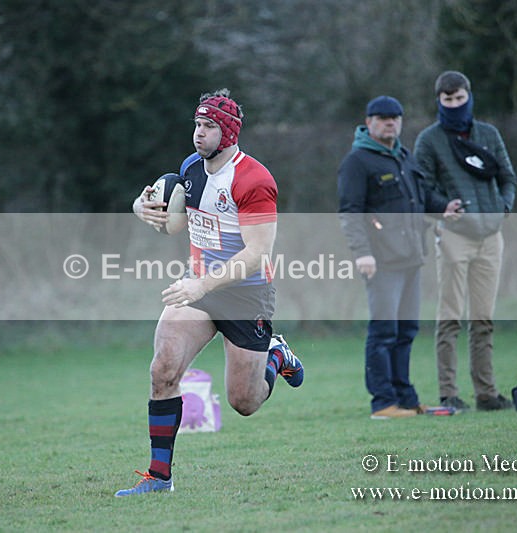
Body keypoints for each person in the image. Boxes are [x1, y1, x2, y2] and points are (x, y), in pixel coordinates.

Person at [116, 89, 305, 497]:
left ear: (230, 134)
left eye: (208, 127)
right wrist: (140, 206)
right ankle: (158, 477)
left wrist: (201, 283)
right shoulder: (191, 168)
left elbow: (257, 254)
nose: (198, 135)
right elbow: (172, 225)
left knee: (245, 402)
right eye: (197, 125)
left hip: (245, 295)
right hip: (198, 288)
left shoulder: (255, 180)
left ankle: (276, 354)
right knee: (163, 369)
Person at [338, 95, 462, 420]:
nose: (390, 122)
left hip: (411, 259)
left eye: (395, 117)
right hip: (380, 262)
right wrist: (362, 253)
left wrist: (443, 207)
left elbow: (420, 197)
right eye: (382, 118)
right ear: (369, 122)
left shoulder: (404, 158)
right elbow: (351, 213)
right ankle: (383, 403)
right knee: (383, 332)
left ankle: (406, 399)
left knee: (406, 330)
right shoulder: (358, 161)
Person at [414, 71, 517, 411]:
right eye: (448, 100)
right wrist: (443, 210)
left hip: (491, 237)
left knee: (483, 318)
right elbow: (421, 188)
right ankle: (449, 393)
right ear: (439, 101)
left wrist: (504, 205)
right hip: (455, 236)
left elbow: (508, 177)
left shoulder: (488, 134)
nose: (455, 104)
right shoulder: (429, 141)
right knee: (450, 318)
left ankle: (486, 393)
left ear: (468, 96)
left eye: (459, 98)